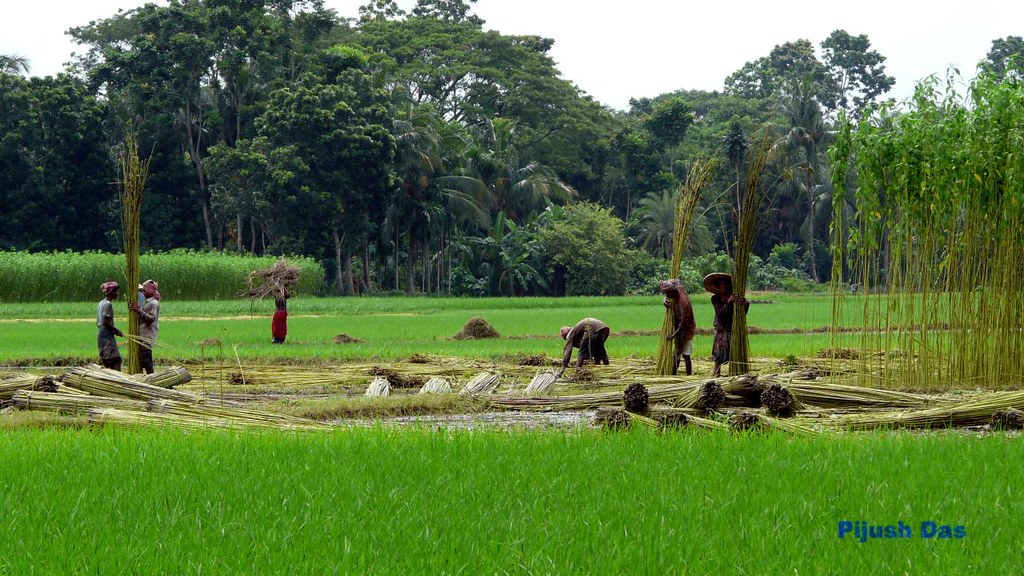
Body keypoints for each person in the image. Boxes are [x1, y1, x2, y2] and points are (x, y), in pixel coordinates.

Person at [704, 272, 749, 377]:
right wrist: (729, 302)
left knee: (733, 353)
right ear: (717, 286)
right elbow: (720, 313)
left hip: (731, 328)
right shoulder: (715, 298)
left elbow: (743, 313)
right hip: (720, 329)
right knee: (718, 355)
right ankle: (716, 376)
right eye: (720, 284)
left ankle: (734, 375)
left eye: (724, 284)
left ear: (728, 285)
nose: (722, 286)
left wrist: (745, 304)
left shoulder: (734, 297)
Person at [659, 278, 696, 376]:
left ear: (673, 292)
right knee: (676, 353)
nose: (666, 295)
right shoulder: (677, 291)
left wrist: (672, 336)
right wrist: (664, 300)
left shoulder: (682, 302)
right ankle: (673, 375)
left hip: (686, 329)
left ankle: (689, 376)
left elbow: (684, 323)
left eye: (667, 293)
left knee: (686, 354)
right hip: (678, 327)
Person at [129, 279, 161, 374]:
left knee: (147, 363)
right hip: (142, 337)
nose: (143, 292)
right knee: (142, 361)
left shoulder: (153, 303)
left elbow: (150, 319)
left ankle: (151, 379)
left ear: (150, 292)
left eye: (144, 290)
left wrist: (139, 310)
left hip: (147, 338)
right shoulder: (147, 303)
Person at [97, 281, 124, 370]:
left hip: (101, 335)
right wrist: (116, 331)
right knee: (117, 360)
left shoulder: (101, 303)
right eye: (116, 291)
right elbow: (105, 322)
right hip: (106, 336)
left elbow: (99, 322)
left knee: (107, 360)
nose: (117, 293)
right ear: (111, 292)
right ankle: (117, 380)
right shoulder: (108, 304)